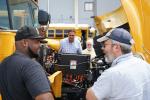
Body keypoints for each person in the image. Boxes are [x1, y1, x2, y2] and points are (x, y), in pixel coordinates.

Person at [86, 28, 150, 100]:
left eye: (105, 45)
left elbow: (90, 97)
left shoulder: (112, 74)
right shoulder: (146, 66)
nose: (103, 48)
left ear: (116, 47)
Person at [0, 26, 54, 100]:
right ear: (25, 43)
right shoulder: (31, 66)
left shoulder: (3, 63)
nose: (39, 46)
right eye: (36, 42)